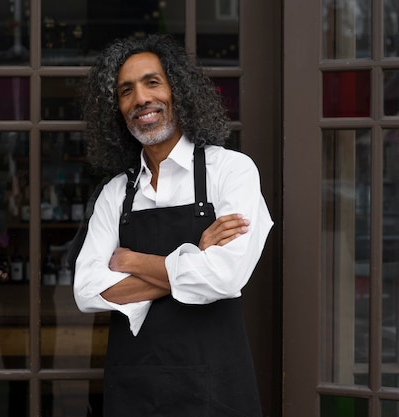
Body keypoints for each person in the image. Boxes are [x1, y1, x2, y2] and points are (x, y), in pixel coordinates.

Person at [73, 34, 273, 416]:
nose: (141, 99)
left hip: (214, 387)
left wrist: (131, 262)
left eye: (152, 82)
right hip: (134, 387)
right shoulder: (116, 192)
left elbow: (225, 277)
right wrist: (195, 256)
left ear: (177, 90)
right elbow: (86, 292)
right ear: (117, 108)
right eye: (126, 91)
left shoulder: (230, 170)